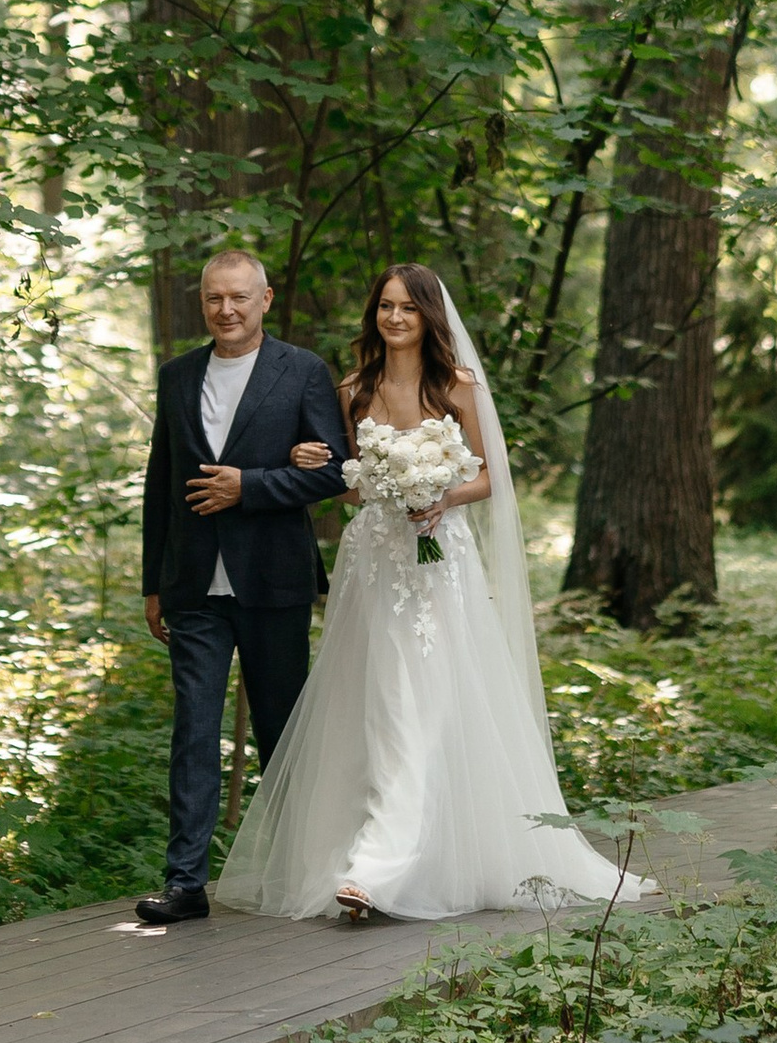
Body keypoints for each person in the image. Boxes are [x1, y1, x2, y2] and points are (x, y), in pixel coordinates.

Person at [213, 263, 641, 924]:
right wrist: (317, 467)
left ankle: (391, 865)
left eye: (408, 308)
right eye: (384, 306)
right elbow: (350, 483)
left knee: (436, 706)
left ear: (428, 316)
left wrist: (439, 494)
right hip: (375, 564)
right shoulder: (352, 388)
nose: (394, 318)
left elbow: (491, 477)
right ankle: (370, 863)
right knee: (381, 707)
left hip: (440, 565)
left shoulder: (458, 387)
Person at [135, 246, 352, 928]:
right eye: (213, 299)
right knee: (193, 730)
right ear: (203, 303)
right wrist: (153, 582)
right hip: (193, 583)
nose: (225, 310)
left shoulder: (304, 372)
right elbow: (160, 485)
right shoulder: (176, 377)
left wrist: (249, 487)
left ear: (266, 299)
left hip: (273, 578)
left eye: (238, 297)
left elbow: (335, 472)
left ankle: (305, 871)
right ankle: (185, 882)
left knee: (282, 731)